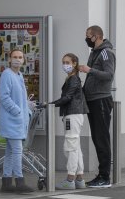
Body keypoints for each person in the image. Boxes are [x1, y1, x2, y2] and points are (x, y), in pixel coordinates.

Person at [79, 25, 116, 188]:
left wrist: (90, 70)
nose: (87, 38)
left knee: (101, 138)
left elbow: (109, 75)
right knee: (96, 137)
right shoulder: (94, 52)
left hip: (101, 100)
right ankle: (101, 174)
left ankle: (105, 176)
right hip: (92, 100)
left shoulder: (106, 53)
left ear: (97, 36)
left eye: (89, 36)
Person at [49, 53, 88, 190]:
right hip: (74, 114)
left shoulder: (73, 79)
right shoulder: (73, 78)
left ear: (75, 63)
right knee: (75, 147)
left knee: (70, 147)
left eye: (67, 62)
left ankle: (70, 179)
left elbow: (67, 97)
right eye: (63, 62)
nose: (65, 65)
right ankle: (79, 178)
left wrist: (50, 104)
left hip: (72, 115)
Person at [0, 47, 33, 194]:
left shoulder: (19, 75)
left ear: (23, 60)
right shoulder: (7, 74)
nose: (18, 59)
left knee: (11, 151)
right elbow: (4, 97)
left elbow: (20, 98)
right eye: (15, 57)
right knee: (17, 150)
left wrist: (27, 108)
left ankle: (6, 182)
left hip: (18, 120)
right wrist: (17, 111)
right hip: (12, 120)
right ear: (9, 59)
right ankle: (19, 181)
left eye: (20, 57)